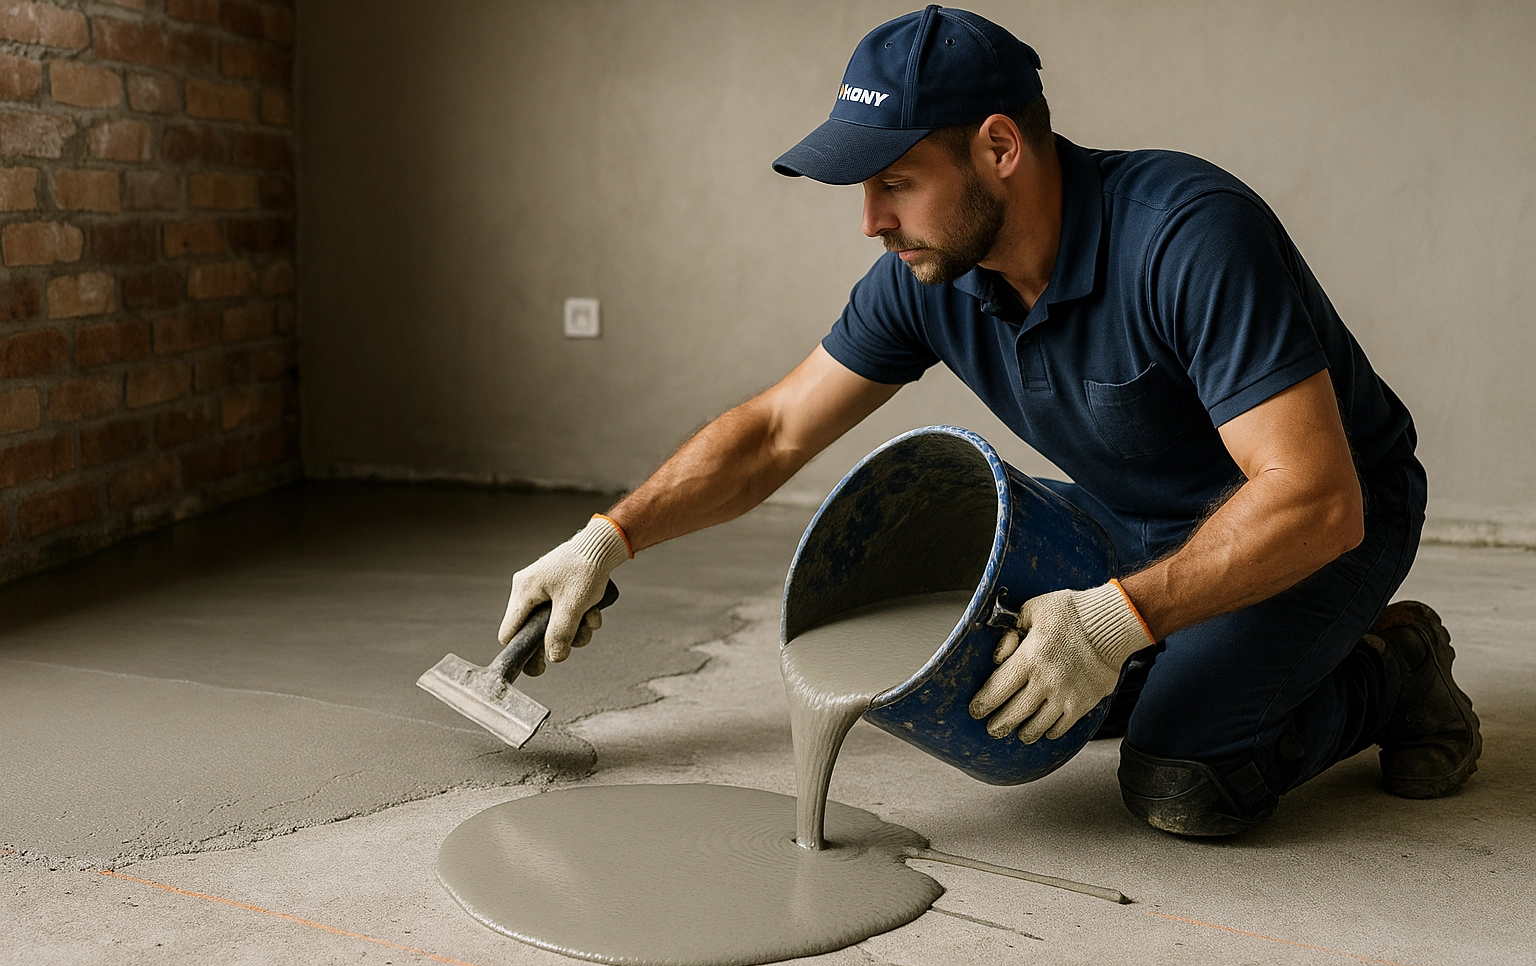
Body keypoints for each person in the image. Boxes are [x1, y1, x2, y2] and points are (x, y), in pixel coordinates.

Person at [497, 5, 1480, 837]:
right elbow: (774, 431)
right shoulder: (928, 275)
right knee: (978, 686)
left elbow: (1315, 500)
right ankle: (1180, 651)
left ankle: (1394, 666)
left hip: (1327, 522)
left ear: (999, 148)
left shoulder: (1187, 235)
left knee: (1185, 780)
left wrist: (1113, 621)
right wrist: (608, 537)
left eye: (895, 182)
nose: (872, 221)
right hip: (1137, 518)